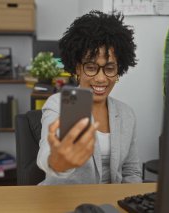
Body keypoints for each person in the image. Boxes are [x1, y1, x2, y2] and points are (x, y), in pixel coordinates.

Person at [36, 10, 142, 185]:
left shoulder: (126, 114)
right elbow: (46, 157)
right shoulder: (60, 104)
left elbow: (132, 171)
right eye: (91, 67)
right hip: (65, 202)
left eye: (109, 68)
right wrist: (60, 160)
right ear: (78, 68)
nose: (101, 78)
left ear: (118, 71)